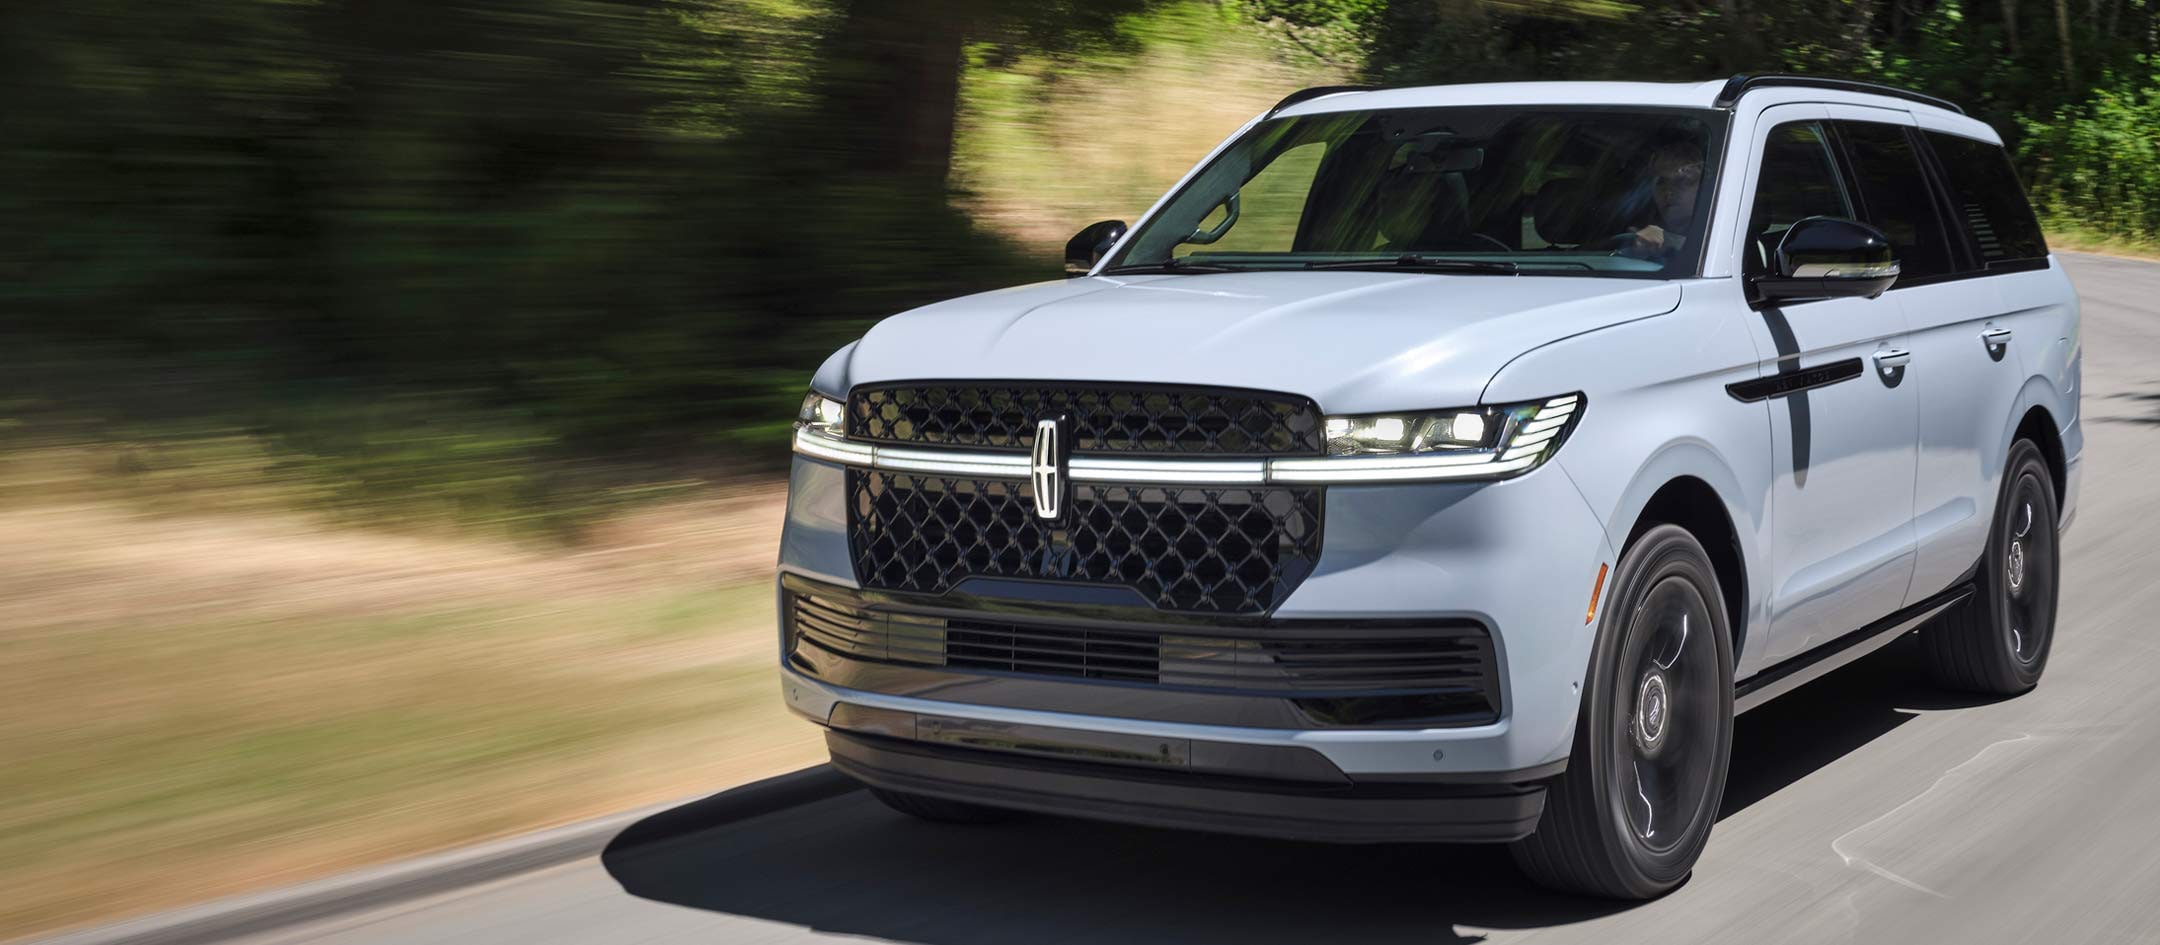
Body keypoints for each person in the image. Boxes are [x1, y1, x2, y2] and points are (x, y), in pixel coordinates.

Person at [1622, 136, 1705, 261]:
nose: (1669, 191)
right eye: (1661, 182)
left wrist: (1670, 241)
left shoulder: (1719, 234)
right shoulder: (1638, 232)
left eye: (1681, 181)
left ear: (1703, 187)